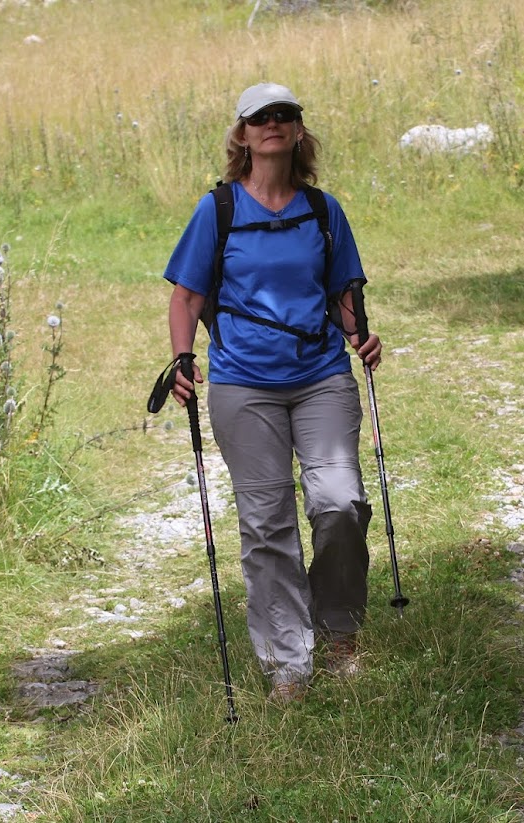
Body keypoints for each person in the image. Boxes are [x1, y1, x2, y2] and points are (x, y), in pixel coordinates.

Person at [162, 82, 383, 704]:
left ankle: (338, 627)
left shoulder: (322, 209)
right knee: (266, 524)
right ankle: (288, 661)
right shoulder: (219, 210)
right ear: (242, 134)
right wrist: (182, 358)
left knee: (339, 502)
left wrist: (360, 336)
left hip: (321, 377)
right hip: (242, 384)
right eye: (261, 117)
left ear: (298, 131)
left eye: (285, 115)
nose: (273, 124)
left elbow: (345, 291)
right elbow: (186, 296)